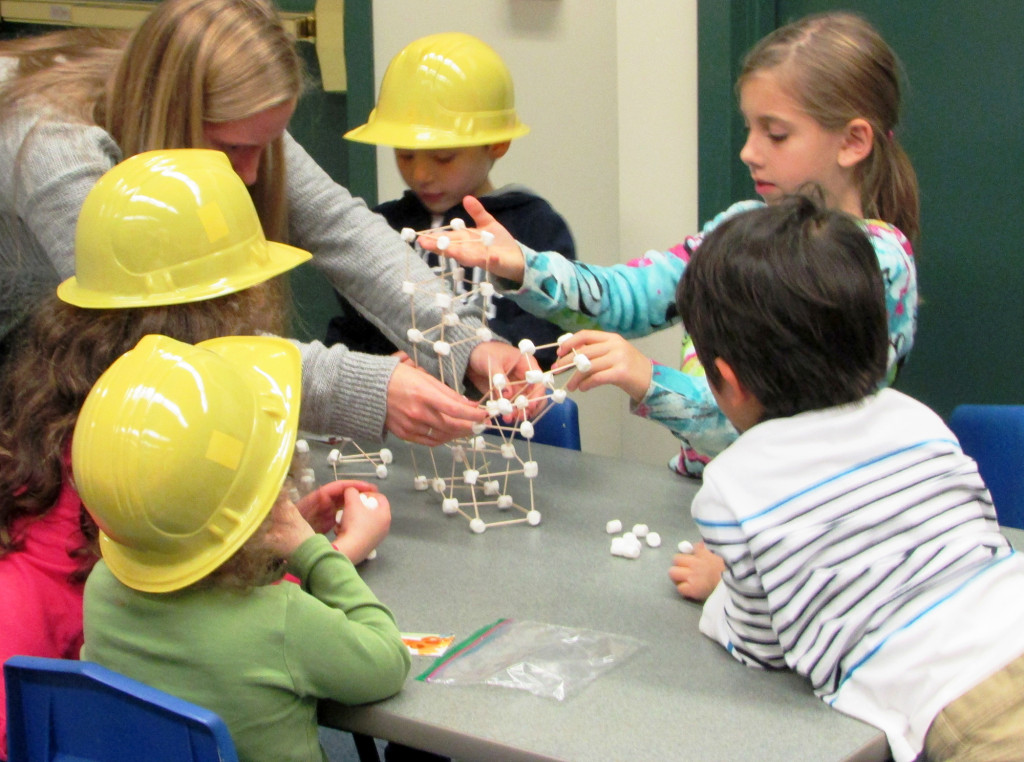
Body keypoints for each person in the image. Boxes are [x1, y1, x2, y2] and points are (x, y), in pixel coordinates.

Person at [0, 0, 537, 448]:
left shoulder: (223, 112)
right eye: (235, 148)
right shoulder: (51, 148)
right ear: (172, 117)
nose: (252, 174)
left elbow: (341, 229)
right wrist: (365, 388)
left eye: (265, 145)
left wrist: (463, 338)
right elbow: (157, 341)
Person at [0, 149, 380, 759]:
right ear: (227, 305)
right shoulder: (159, 436)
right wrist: (331, 554)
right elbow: (218, 631)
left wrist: (254, 525)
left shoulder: (93, 418)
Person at [427, 11, 918, 476]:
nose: (749, 151)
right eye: (750, 128)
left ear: (853, 142)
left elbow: (793, 438)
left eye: (777, 134)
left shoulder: (876, 265)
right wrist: (523, 266)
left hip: (796, 518)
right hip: (706, 498)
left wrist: (649, 380)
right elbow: (632, 295)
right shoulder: (739, 229)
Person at [673, 194, 1024, 762]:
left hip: (961, 702)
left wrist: (725, 590)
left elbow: (763, 646)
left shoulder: (734, 485)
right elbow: (978, 539)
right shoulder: (918, 419)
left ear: (727, 380)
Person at [76, 333, 410, 762]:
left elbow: (207, 578)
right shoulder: (284, 623)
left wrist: (270, 541)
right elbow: (387, 662)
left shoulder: (101, 591)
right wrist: (315, 551)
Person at [330, 32, 577, 370]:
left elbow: (549, 333)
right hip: (402, 413)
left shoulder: (535, 226)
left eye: (443, 158)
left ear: (497, 144)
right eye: (405, 156)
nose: (421, 174)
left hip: (504, 412)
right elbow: (356, 328)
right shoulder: (383, 227)